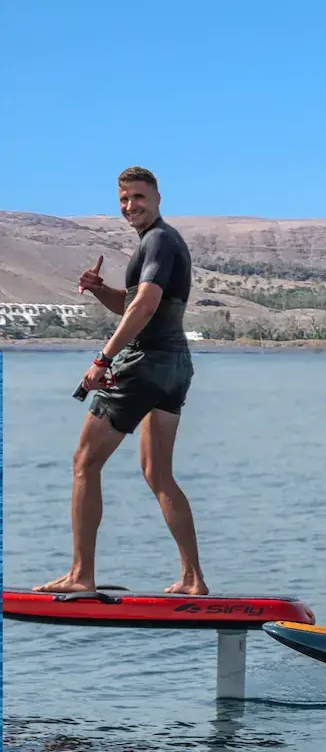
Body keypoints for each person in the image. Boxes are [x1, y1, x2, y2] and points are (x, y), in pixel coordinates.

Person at [35, 167, 208, 595]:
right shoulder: (161, 245)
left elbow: (145, 306)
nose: (131, 206)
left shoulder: (159, 240)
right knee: (157, 473)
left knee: (85, 462)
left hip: (143, 365)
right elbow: (134, 303)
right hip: (174, 367)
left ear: (157, 197)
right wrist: (99, 290)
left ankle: (81, 575)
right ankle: (193, 580)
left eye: (138, 197)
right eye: (124, 200)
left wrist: (103, 358)